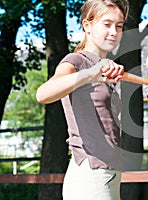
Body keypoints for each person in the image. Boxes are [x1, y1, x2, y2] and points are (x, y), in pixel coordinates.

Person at [36, 0, 129, 199]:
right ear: (87, 25)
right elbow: (43, 94)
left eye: (119, 26)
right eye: (107, 24)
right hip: (92, 174)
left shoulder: (106, 67)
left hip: (108, 173)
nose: (114, 32)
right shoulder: (77, 61)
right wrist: (89, 74)